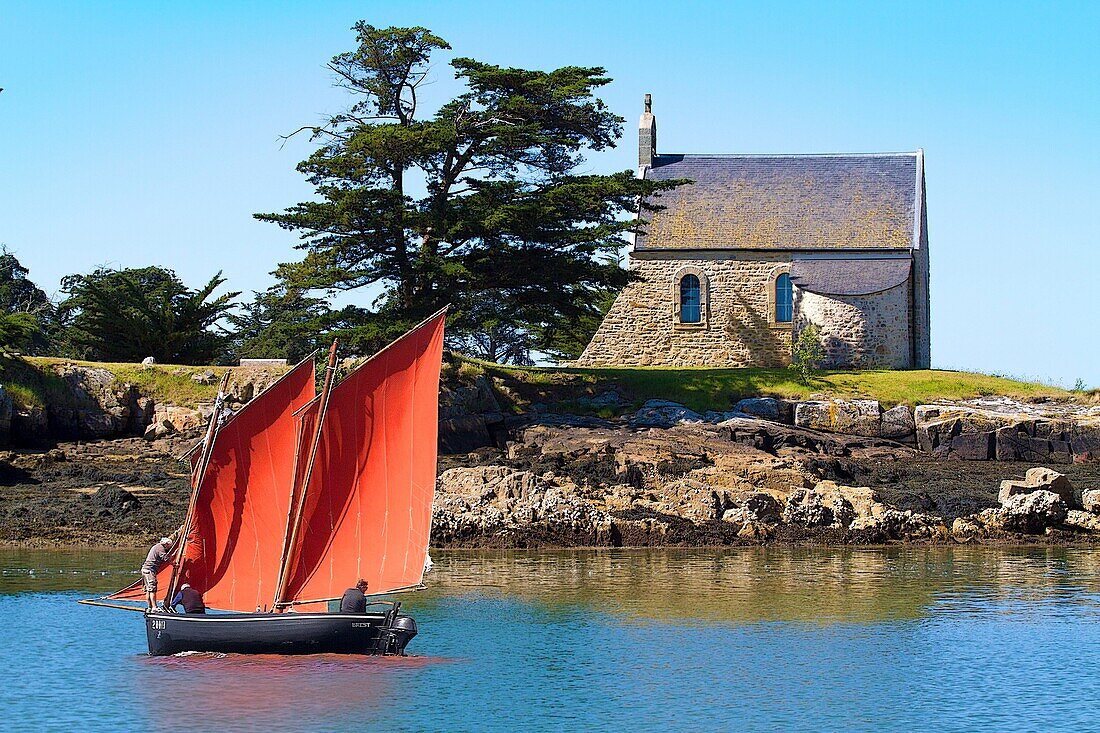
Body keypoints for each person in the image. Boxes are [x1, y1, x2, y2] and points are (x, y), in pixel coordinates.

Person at [141, 536, 175, 611]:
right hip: (150, 570)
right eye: (169, 546)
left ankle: (150, 607)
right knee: (152, 589)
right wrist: (174, 564)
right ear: (166, 544)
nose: (169, 548)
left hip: (145, 569)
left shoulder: (156, 546)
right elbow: (165, 558)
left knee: (148, 590)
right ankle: (154, 607)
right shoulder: (160, 548)